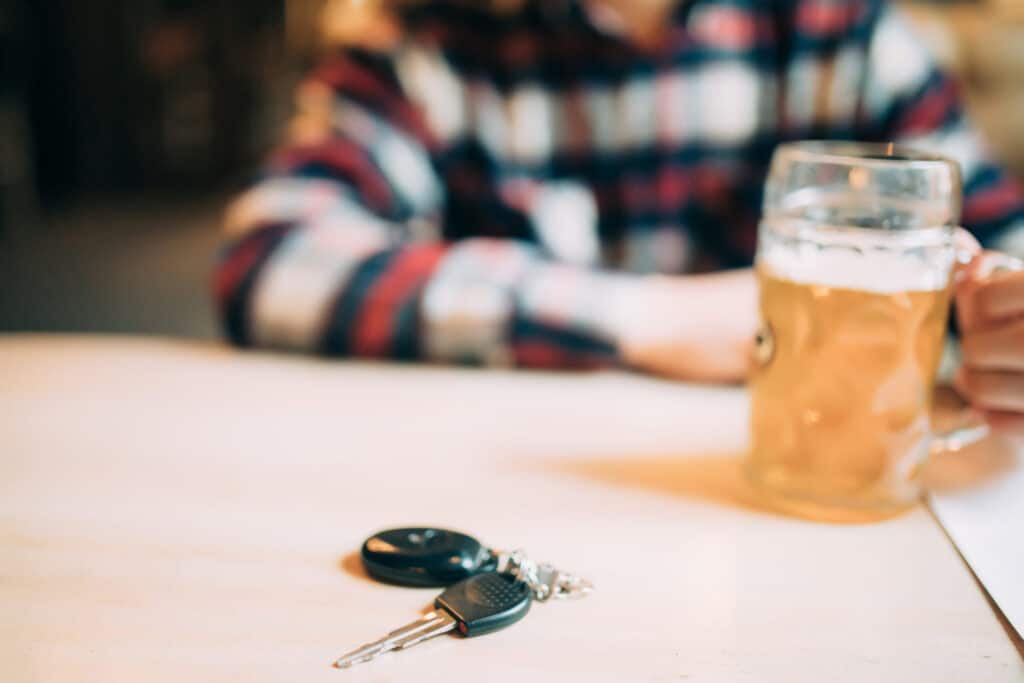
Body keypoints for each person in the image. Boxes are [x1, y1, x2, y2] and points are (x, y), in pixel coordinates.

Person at [214, 0, 1024, 424]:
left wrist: (1002, 324)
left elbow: (1001, 243)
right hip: (528, 492)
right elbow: (271, 260)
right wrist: (651, 317)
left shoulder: (838, 28)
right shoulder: (424, 40)